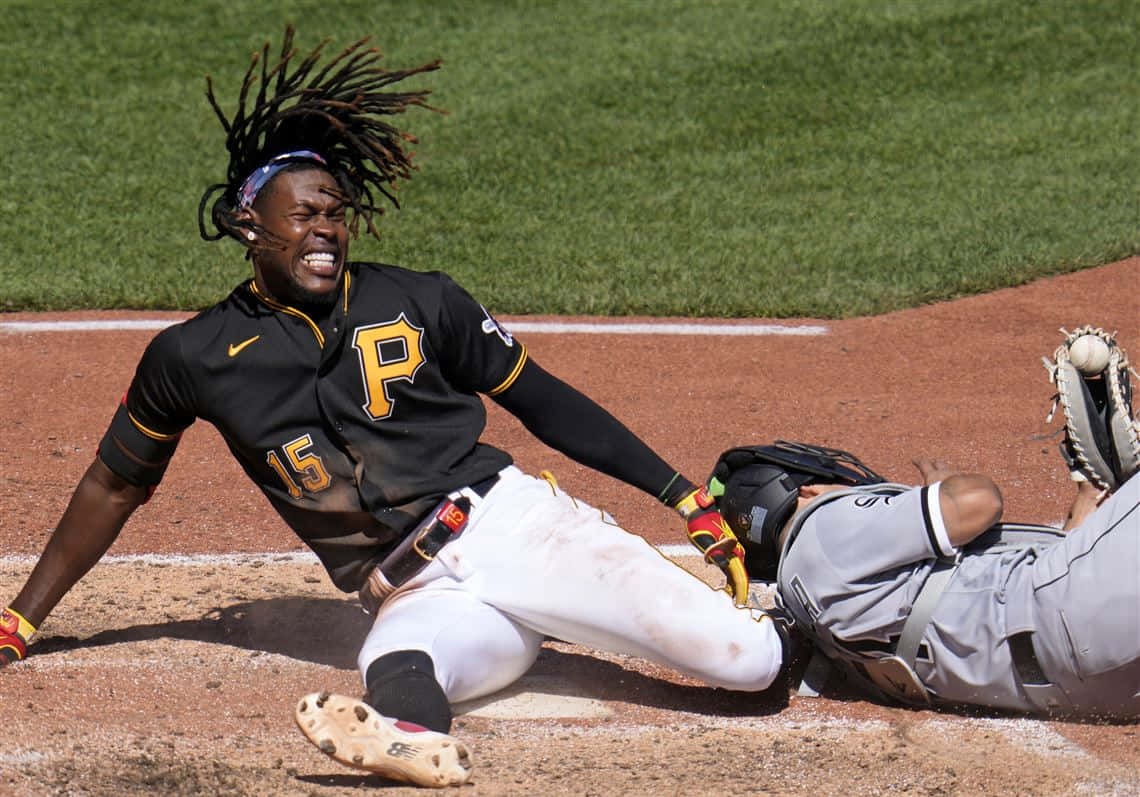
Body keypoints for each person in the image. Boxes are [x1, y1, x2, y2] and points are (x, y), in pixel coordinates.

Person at [0, 28, 784, 789]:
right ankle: (409, 743)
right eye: (304, 215)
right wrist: (20, 620)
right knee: (398, 662)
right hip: (412, 590)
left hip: (511, 528)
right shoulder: (193, 355)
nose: (326, 232)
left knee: (746, 662)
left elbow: (540, 399)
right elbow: (114, 484)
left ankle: (836, 608)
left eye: (335, 213)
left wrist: (679, 492)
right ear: (249, 225)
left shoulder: (417, 297)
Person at [710, 439, 1139, 719]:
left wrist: (1090, 490)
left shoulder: (820, 628)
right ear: (803, 491)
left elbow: (1001, 609)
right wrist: (939, 487)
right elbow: (978, 502)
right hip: (1074, 611)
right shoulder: (824, 527)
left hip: (1095, 689)